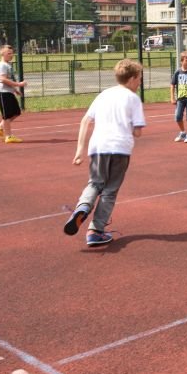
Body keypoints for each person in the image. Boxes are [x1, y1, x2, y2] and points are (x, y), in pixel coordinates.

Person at [63, 59, 146, 246]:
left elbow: (86, 121)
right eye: (139, 78)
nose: (140, 82)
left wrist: (79, 150)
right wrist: (129, 127)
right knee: (110, 190)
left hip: (98, 147)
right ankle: (95, 230)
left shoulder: (104, 95)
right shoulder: (133, 99)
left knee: (95, 183)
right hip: (120, 149)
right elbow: (138, 132)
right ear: (132, 78)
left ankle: (83, 206)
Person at [0, 44, 27, 144]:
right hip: (3, 93)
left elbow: (8, 79)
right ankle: (8, 136)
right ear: (2, 54)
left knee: (16, 112)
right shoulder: (2, 65)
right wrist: (18, 84)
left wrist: (15, 89)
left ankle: (0, 127)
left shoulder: (8, 65)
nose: (11, 55)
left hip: (9, 92)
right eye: (9, 53)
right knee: (7, 116)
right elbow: (3, 79)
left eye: (12, 53)